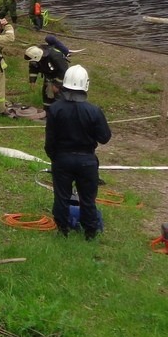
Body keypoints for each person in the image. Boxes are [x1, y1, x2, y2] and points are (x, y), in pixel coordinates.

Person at [44, 65, 112, 240]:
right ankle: (90, 233)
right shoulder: (94, 111)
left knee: (61, 196)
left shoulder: (55, 109)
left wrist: (56, 158)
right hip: (86, 161)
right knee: (88, 199)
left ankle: (62, 230)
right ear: (85, 86)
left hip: (62, 158)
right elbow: (104, 137)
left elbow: (50, 141)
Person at [25, 40, 70, 105]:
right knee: (47, 95)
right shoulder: (35, 58)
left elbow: (63, 70)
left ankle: (60, 110)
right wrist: (32, 81)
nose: (32, 62)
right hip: (48, 75)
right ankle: (47, 111)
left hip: (59, 76)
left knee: (58, 95)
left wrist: (57, 85)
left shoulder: (55, 56)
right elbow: (33, 68)